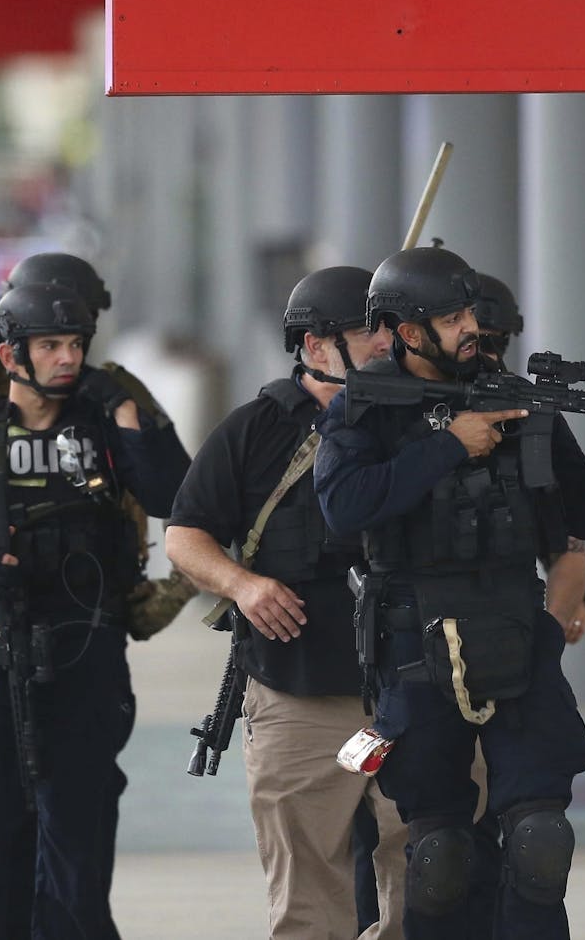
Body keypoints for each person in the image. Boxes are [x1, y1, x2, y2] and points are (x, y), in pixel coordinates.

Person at [314, 246, 585, 939]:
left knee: (540, 839)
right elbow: (344, 506)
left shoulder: (517, 397)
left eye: (470, 313)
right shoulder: (365, 407)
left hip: (516, 634)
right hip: (414, 645)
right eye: (451, 317)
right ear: (407, 329)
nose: (470, 329)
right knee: (440, 853)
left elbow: (579, 511)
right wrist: (449, 444)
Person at [0, 272, 191, 939]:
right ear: (11, 355)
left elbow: (176, 496)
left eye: (76, 343)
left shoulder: (105, 423)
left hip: (84, 650)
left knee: (78, 833)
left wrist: (130, 418)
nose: (68, 358)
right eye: (50, 345)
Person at [165, 266, 407, 940]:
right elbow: (185, 537)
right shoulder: (256, 429)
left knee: (433, 872)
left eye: (387, 327)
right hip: (300, 695)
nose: (385, 341)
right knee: (307, 896)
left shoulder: (416, 417)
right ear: (318, 344)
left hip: (411, 687)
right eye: (367, 330)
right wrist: (243, 585)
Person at [473, 272, 585, 645]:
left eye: (494, 343)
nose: (483, 355)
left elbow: (567, 537)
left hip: (505, 622)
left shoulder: (522, 410)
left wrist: (551, 632)